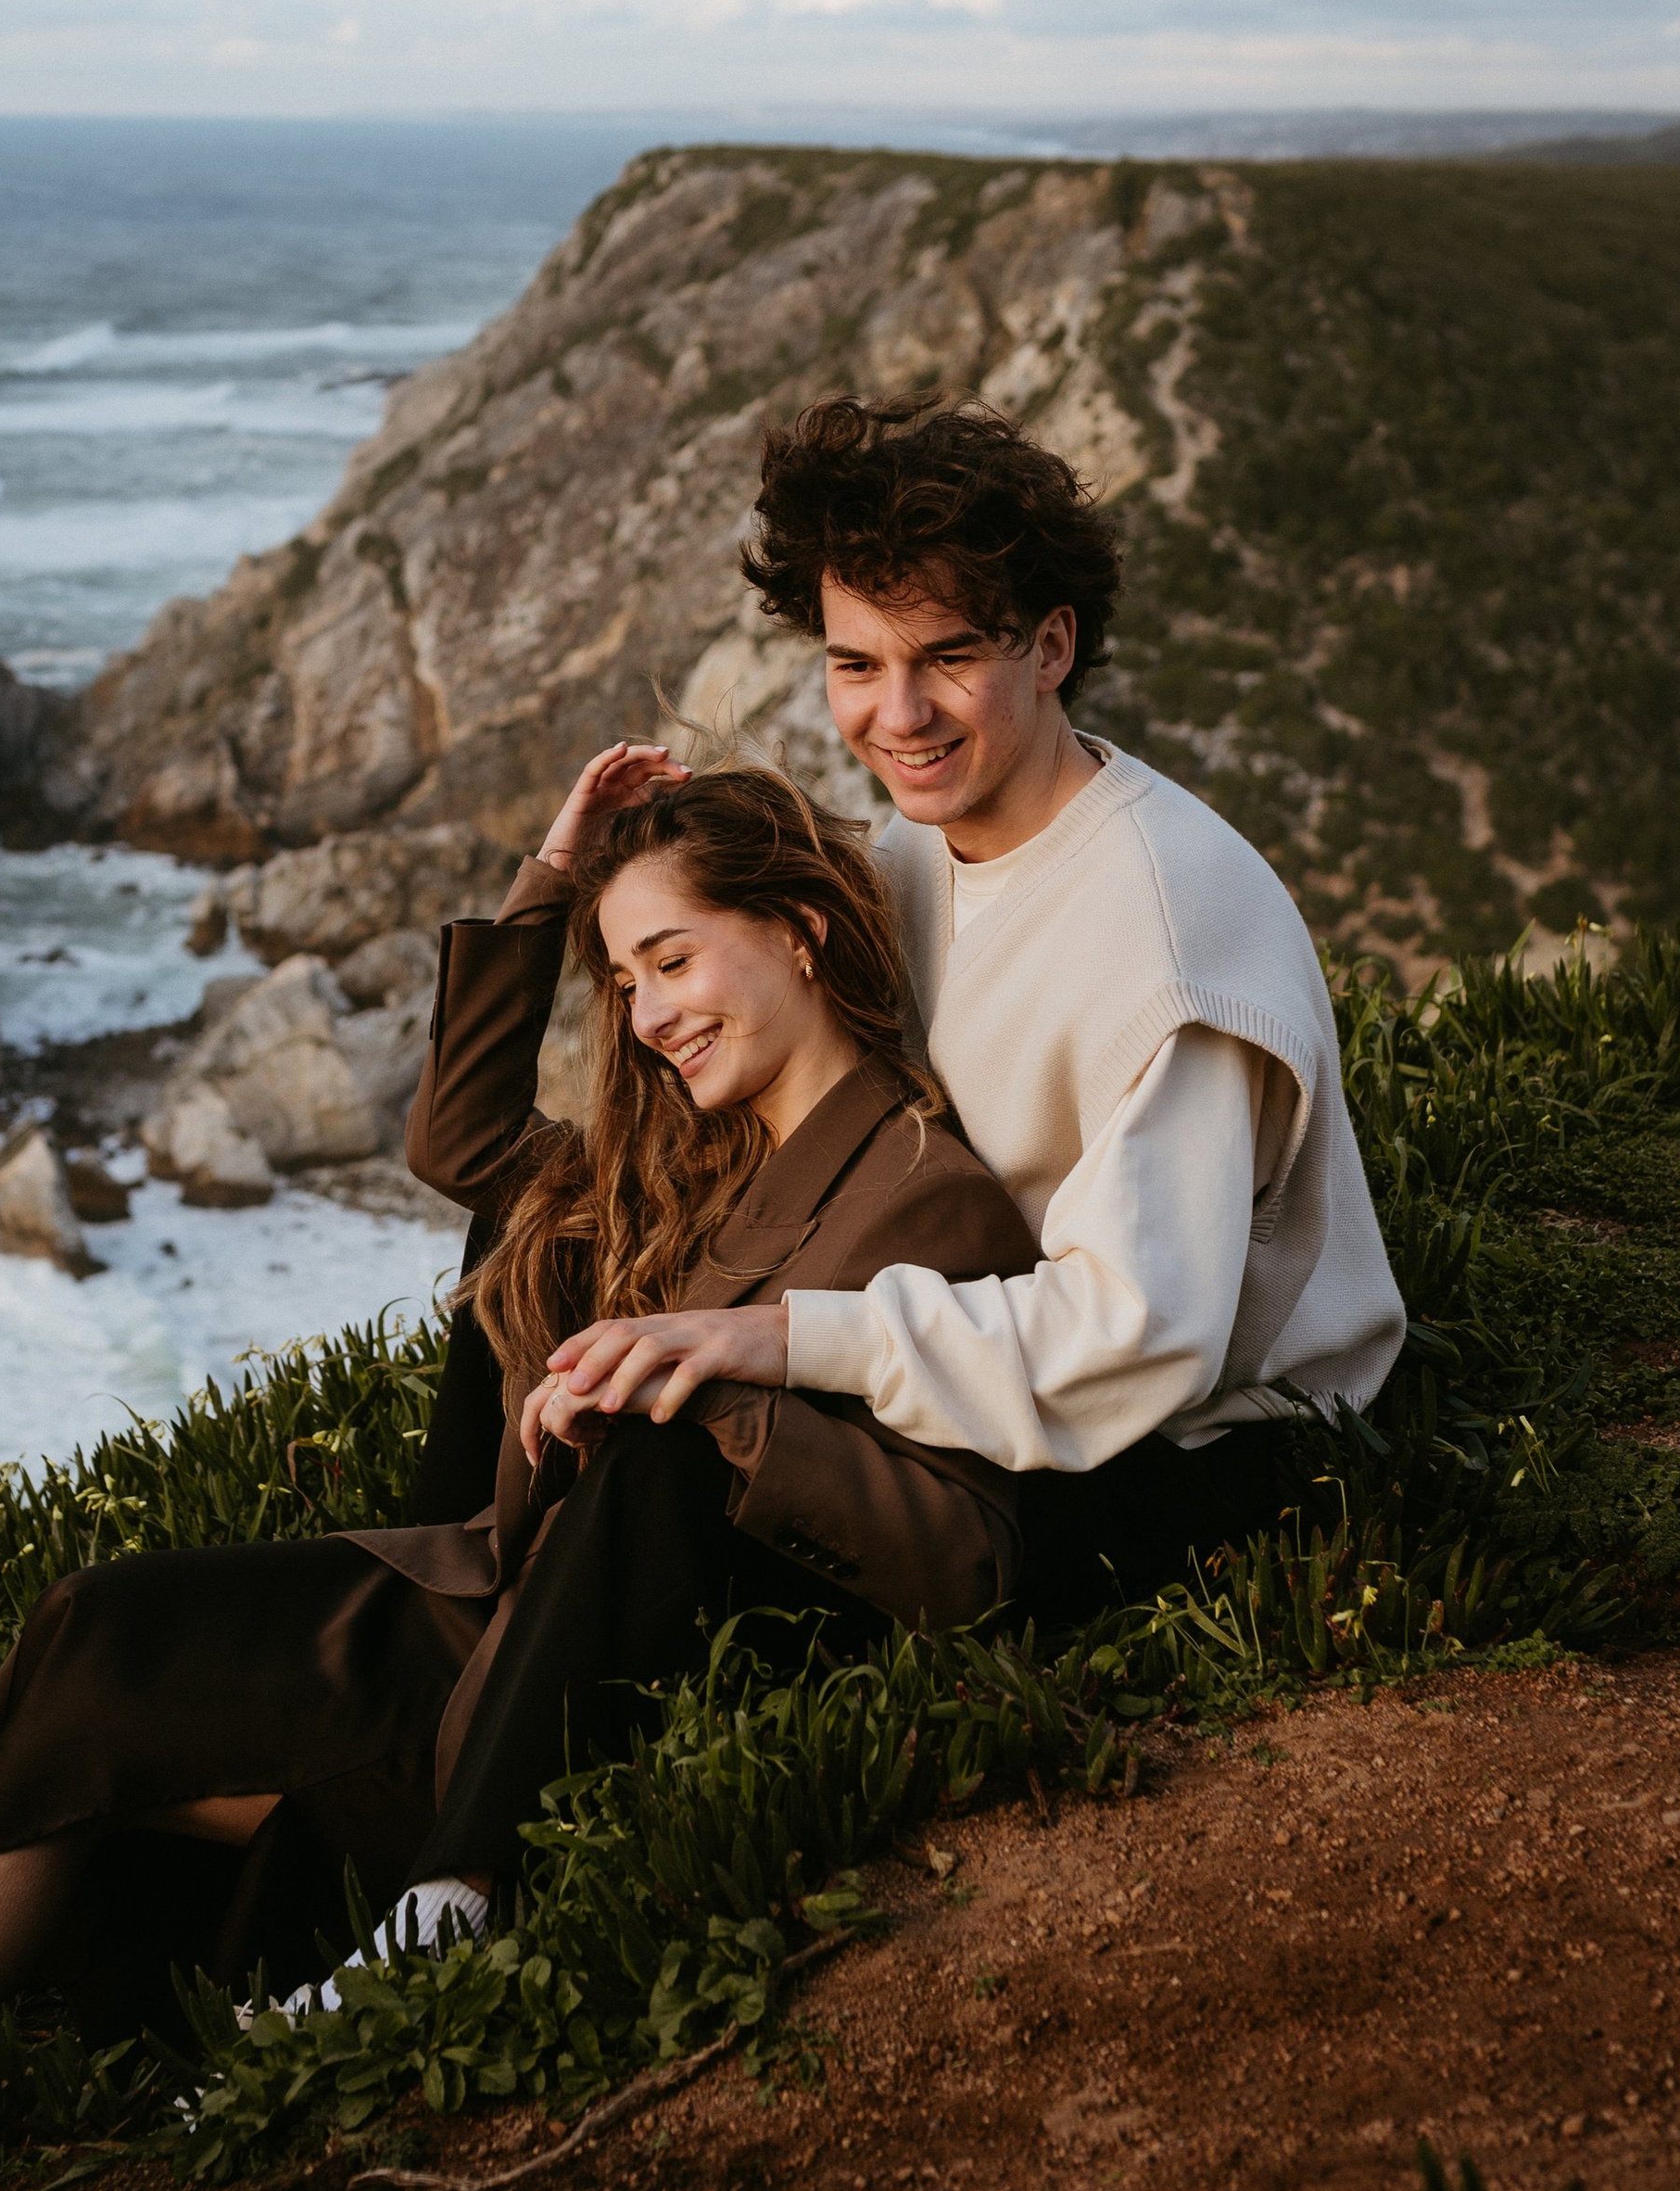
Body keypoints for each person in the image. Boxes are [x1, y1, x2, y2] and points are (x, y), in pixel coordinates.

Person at [0, 757, 1035, 2191]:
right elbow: (461, 1141)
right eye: (627, 981)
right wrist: (550, 877)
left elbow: (968, 1547)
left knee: (97, 1737)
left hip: (574, 1681)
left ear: (800, 931)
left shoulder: (924, 1191)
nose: (649, 1016)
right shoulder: (687, 1157)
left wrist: (715, 1393)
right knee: (91, 1624)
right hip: (470, 1612)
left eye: (674, 961)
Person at [530, 400, 1407, 1635]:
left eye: (947, 658)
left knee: (672, 1451)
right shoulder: (911, 856)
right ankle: (443, 1628)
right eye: (856, 666)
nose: (898, 717)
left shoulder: (1164, 944)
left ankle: (490, 1724)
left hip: (1176, 1460)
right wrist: (563, 885)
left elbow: (1139, 1339)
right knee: (542, 1254)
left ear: (1051, 646)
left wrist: (777, 1337)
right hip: (964, 1354)